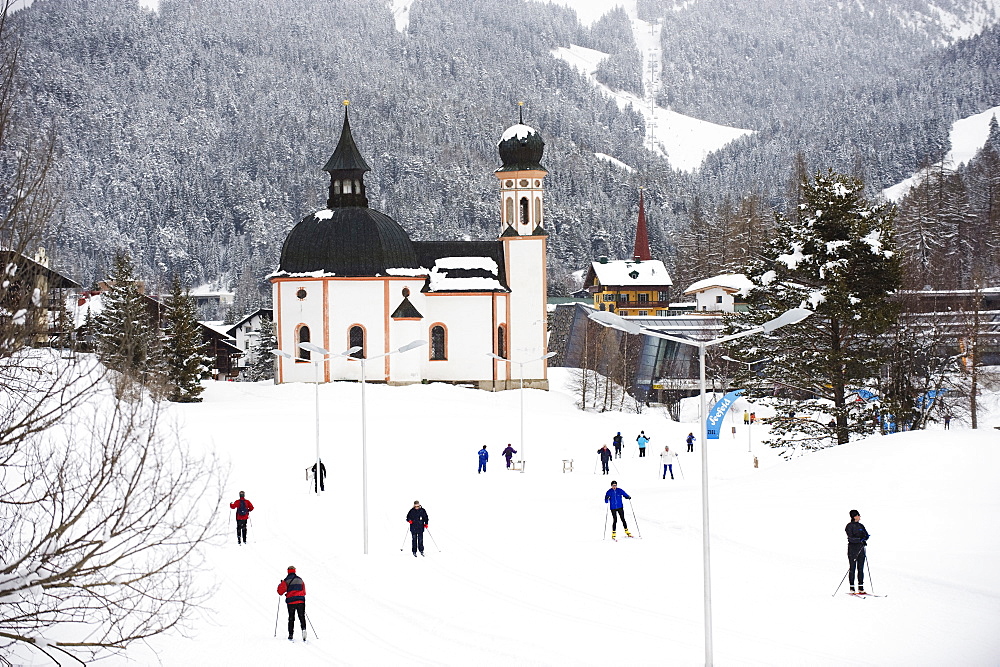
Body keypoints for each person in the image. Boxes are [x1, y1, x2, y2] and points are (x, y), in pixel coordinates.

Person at [277, 566, 307, 641]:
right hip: (301, 601)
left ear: (288, 571)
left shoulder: (286, 580)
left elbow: (280, 592)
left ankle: (291, 634)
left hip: (291, 601)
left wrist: (281, 584)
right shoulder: (300, 580)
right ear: (295, 571)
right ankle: (304, 629)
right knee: (301, 616)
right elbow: (304, 591)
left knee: (291, 618)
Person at [845, 509, 871, 594]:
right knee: (852, 568)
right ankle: (852, 588)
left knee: (861, 568)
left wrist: (865, 538)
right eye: (858, 515)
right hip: (852, 549)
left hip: (861, 549)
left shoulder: (861, 526)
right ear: (854, 516)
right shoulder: (849, 526)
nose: (860, 517)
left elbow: (866, 534)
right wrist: (860, 540)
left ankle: (861, 587)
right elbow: (850, 538)